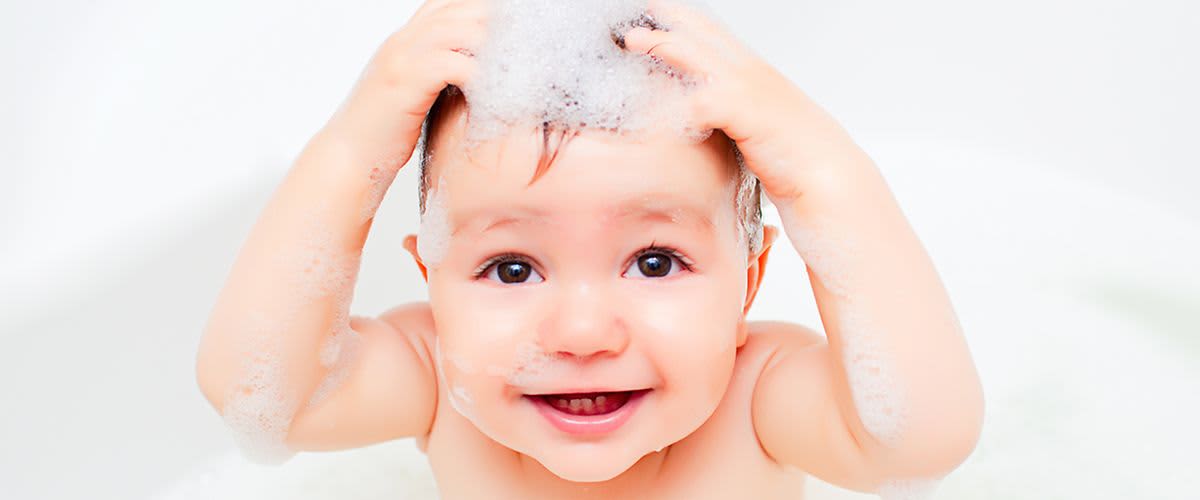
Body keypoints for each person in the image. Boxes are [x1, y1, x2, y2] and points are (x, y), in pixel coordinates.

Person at [195, 0, 983, 497]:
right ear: (429, 278)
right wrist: (352, 151)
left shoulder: (757, 397)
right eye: (512, 269)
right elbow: (268, 397)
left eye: (655, 261)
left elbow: (915, 442)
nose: (582, 334)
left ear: (748, 283)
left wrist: (824, 175)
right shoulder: (437, 376)